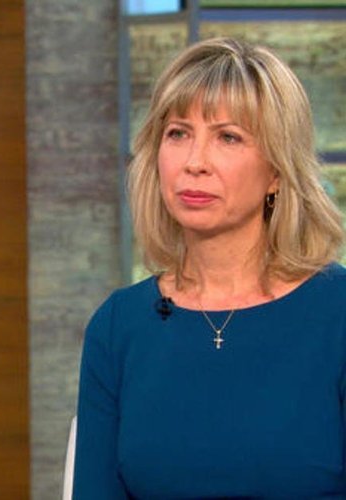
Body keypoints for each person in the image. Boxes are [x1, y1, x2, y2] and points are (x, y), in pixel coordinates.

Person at [73, 37, 346, 498]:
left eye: (228, 137)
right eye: (178, 133)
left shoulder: (337, 314)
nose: (195, 163)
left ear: (277, 171)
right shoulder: (118, 327)